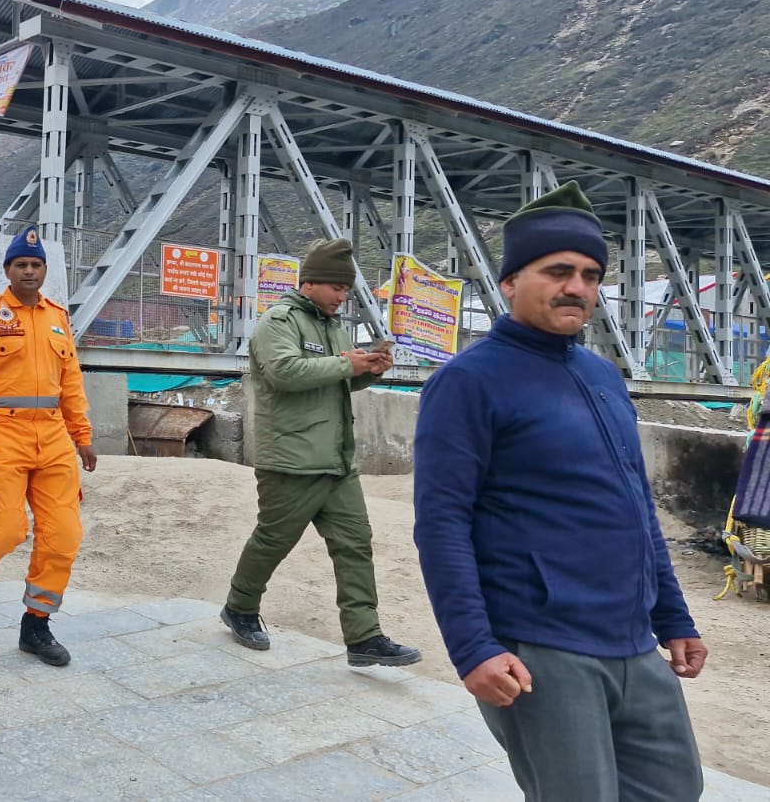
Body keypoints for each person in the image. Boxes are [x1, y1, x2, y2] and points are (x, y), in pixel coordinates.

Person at [413, 182, 707, 802]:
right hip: (541, 647)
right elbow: (441, 523)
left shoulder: (602, 375)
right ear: (510, 281)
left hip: (633, 640)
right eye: (558, 271)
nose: (577, 287)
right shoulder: (468, 382)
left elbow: (637, 506)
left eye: (590, 275)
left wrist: (673, 617)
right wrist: (472, 648)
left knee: (675, 789)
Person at [217, 239, 419, 666]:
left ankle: (364, 637)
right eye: (337, 288)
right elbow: (285, 372)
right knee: (273, 541)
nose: (343, 297)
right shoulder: (278, 322)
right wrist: (347, 364)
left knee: (355, 545)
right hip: (292, 459)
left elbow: (335, 380)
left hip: (337, 460)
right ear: (310, 282)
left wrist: (367, 370)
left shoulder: (332, 327)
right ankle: (239, 607)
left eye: (346, 289)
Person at [0, 229, 95, 667]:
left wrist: (82, 436)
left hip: (53, 438)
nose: (29, 271)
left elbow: (71, 382)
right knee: (6, 528)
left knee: (64, 535)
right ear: (7, 270)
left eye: (35, 265)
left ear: (44, 270)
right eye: (21, 265)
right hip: (1, 435)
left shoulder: (58, 317)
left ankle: (37, 625)